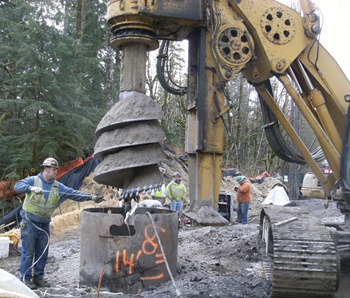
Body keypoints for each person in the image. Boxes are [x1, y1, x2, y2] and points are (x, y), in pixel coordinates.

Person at [14, 157, 104, 289]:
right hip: (29, 223)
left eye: (56, 169)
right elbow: (17, 186)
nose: (56, 172)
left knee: (42, 253)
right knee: (28, 252)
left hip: (44, 224)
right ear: (46, 169)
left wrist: (91, 197)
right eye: (53, 169)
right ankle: (25, 279)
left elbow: (73, 193)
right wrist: (31, 188)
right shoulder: (33, 180)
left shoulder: (57, 186)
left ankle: (38, 278)